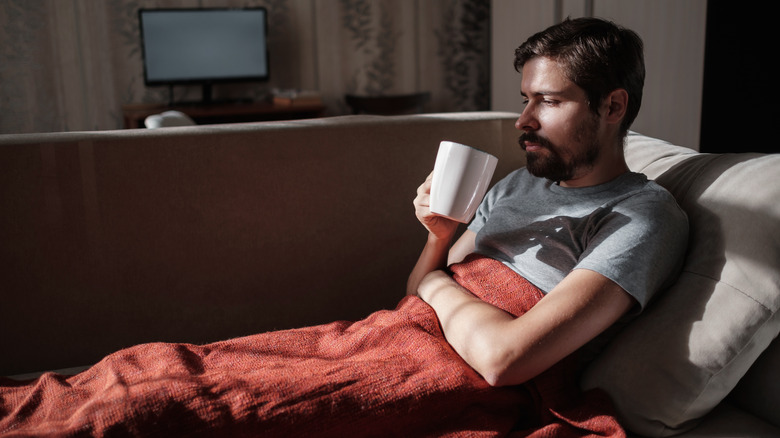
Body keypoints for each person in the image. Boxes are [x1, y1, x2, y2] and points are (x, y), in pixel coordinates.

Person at [407, 17, 688, 387]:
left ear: (612, 107)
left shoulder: (640, 215)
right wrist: (438, 239)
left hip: (461, 377)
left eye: (549, 101)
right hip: (405, 338)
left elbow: (502, 360)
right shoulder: (517, 184)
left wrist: (434, 284)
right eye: (526, 100)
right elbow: (414, 301)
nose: (523, 119)